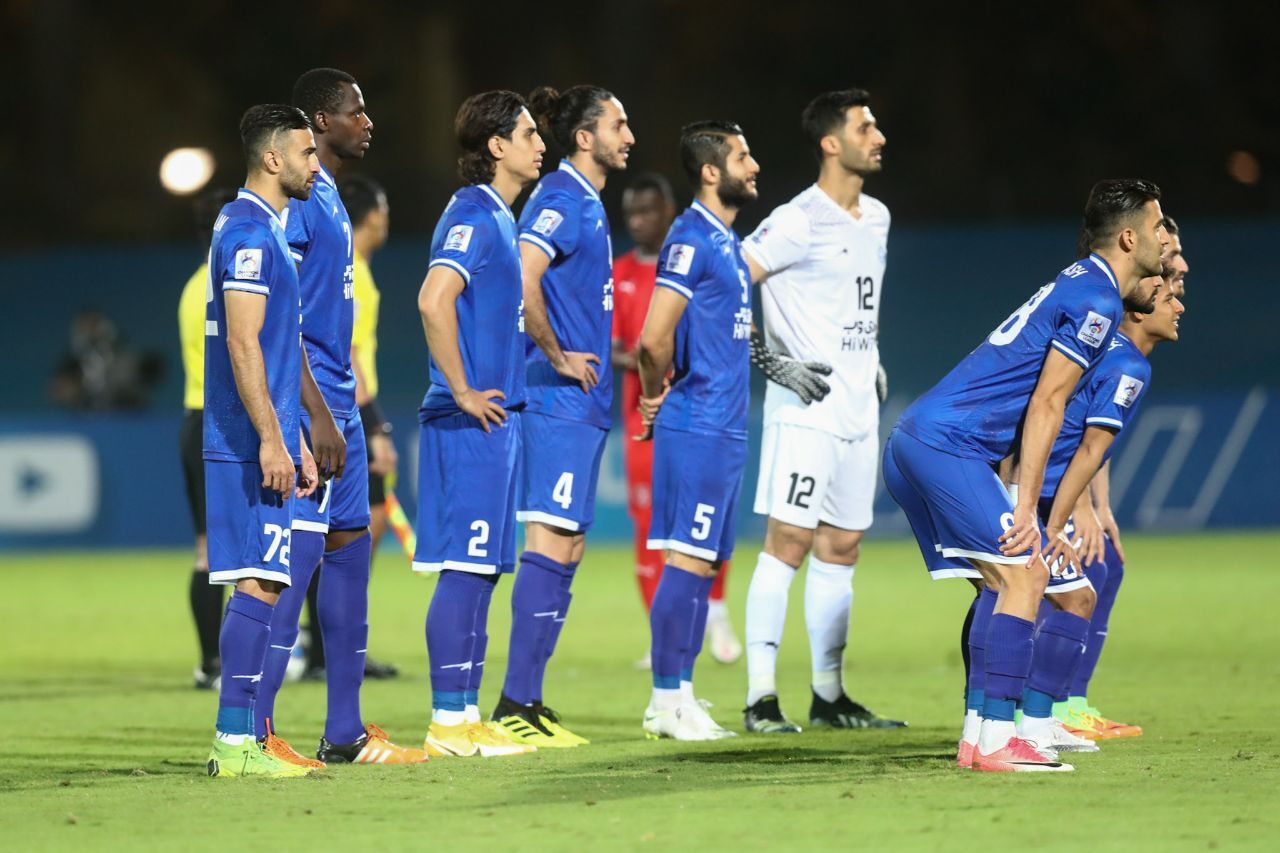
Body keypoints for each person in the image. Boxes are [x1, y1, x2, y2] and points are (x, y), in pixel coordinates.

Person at [883, 178, 1166, 772]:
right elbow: (1047, 405)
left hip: (925, 439)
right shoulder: (1098, 302)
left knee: (1005, 581)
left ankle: (979, 735)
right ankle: (998, 740)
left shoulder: (1078, 281)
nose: (1166, 239)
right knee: (1026, 577)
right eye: (1160, 226)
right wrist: (1024, 505)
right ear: (1129, 236)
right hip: (947, 445)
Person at [253, 67, 425, 767]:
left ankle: (345, 731)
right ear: (319, 123)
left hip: (342, 407)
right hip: (309, 409)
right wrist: (311, 414)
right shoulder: (293, 202)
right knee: (289, 566)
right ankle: (252, 730)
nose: (369, 120)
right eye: (356, 110)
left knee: (351, 551)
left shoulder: (326, 194)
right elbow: (277, 317)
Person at [740, 87, 905, 733]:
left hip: (858, 408)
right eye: (867, 126)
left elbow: (856, 307)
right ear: (831, 142)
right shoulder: (797, 219)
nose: (880, 136)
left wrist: (872, 358)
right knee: (788, 542)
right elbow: (727, 280)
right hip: (804, 406)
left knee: (842, 546)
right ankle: (759, 697)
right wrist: (767, 358)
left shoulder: (880, 218)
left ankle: (829, 694)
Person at [490, 85, 633, 748]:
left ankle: (531, 698)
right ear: (585, 136)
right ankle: (512, 702)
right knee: (549, 540)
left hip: (581, 404)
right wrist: (555, 354)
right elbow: (522, 272)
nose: (629, 135)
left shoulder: (589, 203)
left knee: (569, 544)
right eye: (618, 124)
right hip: (553, 398)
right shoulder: (559, 195)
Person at [416, 90, 546, 758]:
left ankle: (466, 715)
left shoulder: (500, 216)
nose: (540, 143)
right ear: (496, 146)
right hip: (469, 423)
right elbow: (434, 299)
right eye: (527, 133)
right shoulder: (472, 213)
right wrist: (462, 389)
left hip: (498, 421)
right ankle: (447, 721)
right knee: (463, 568)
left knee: (484, 570)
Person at [203, 103, 319, 778]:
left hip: (266, 435)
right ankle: (233, 741)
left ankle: (241, 738)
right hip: (247, 441)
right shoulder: (249, 230)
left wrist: (294, 438)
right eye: (306, 152)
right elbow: (244, 342)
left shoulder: (258, 226)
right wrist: (272, 441)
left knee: (265, 579)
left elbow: (271, 350)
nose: (314, 163)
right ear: (273, 157)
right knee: (259, 579)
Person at [637, 120, 759, 741]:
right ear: (711, 171)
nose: (754, 165)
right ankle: (665, 699)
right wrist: (654, 395)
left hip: (725, 426)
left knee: (702, 564)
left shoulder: (728, 243)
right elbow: (654, 338)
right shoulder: (691, 238)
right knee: (686, 561)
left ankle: (681, 692)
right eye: (742, 156)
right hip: (699, 423)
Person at [1047, 215, 1188, 740]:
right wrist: (1077, 506)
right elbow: (1064, 427)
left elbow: (1094, 444)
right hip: (1028, 480)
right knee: (1070, 573)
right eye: (1172, 254)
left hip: (1057, 479)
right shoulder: (1104, 334)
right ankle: (1038, 709)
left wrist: (1099, 508)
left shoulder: (1125, 355)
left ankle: (1067, 703)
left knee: (1103, 560)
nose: (1180, 270)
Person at [612, 173, 742, 668]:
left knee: (712, 516)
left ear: (670, 211)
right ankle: (659, 632)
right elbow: (616, 345)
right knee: (649, 528)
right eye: (632, 215)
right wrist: (650, 364)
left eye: (648, 211)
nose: (640, 222)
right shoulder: (618, 271)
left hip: (699, 413)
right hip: (643, 420)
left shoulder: (698, 259)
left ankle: (716, 610)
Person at [295, 173, 400, 684]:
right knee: (347, 536)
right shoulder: (351, 269)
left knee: (343, 535)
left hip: (345, 411)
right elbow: (350, 354)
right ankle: (325, 648)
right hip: (347, 415)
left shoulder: (352, 266)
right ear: (371, 216)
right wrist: (376, 425)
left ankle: (330, 648)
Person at [178, 187, 236, 691]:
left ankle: (209, 664)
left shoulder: (194, 285)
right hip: (219, 424)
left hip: (196, 420)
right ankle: (221, 663)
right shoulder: (220, 286)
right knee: (235, 552)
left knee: (207, 550)